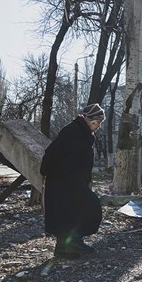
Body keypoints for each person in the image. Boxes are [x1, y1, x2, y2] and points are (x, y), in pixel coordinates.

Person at [40, 103, 105, 258]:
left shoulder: (83, 132)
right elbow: (52, 153)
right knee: (81, 208)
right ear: (90, 120)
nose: (99, 126)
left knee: (72, 212)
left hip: (71, 181)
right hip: (63, 181)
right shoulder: (72, 131)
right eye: (98, 122)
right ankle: (70, 246)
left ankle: (69, 245)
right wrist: (47, 173)